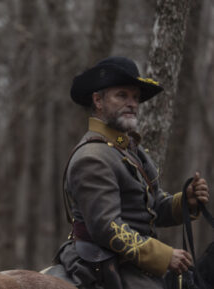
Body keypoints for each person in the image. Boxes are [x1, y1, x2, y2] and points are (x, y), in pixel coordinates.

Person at [56, 56, 210, 289]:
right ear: (98, 100)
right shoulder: (92, 157)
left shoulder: (129, 149)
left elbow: (151, 207)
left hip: (132, 262)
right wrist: (164, 256)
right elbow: (108, 228)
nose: (132, 104)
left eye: (136, 97)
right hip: (102, 265)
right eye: (122, 96)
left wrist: (185, 202)